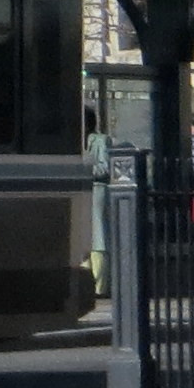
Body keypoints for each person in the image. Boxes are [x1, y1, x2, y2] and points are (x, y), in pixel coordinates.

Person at [85, 107, 112, 297]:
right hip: (81, 192)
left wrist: (84, 170)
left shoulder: (102, 140)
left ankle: (99, 287)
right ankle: (85, 282)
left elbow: (104, 168)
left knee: (98, 239)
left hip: (96, 191)